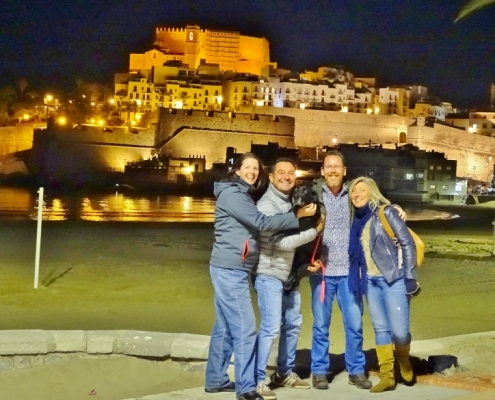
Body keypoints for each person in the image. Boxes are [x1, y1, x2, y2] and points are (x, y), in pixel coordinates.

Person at [204, 153, 316, 400]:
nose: (252, 172)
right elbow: (260, 222)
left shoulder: (240, 194)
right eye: (248, 167)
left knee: (224, 328)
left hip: (231, 266)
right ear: (236, 170)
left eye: (256, 168)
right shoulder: (233, 194)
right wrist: (298, 218)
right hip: (231, 269)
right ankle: (246, 387)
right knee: (245, 329)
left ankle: (215, 379)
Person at [309, 150, 406, 390]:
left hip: (350, 274)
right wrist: (305, 261)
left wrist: (396, 208)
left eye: (336, 167)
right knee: (321, 325)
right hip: (321, 272)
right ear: (322, 171)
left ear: (344, 171)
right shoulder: (313, 195)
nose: (332, 170)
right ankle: (319, 371)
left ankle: (356, 370)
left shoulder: (352, 194)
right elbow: (296, 223)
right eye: (328, 167)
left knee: (354, 325)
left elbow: (376, 203)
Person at [254, 158, 325, 400]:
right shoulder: (267, 205)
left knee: (293, 324)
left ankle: (284, 372)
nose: (286, 176)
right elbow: (280, 242)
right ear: (271, 178)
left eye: (291, 173)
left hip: (289, 275)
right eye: (281, 173)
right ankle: (257, 379)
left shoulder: (291, 202)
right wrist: (314, 231)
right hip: (269, 274)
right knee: (271, 327)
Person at [348, 176, 419, 392]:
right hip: (370, 280)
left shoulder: (386, 212)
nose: (357, 194)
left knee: (399, 332)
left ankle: (404, 359)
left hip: (393, 279)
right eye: (353, 191)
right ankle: (387, 376)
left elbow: (407, 243)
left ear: (372, 192)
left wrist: (409, 277)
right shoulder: (355, 222)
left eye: (361, 190)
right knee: (380, 329)